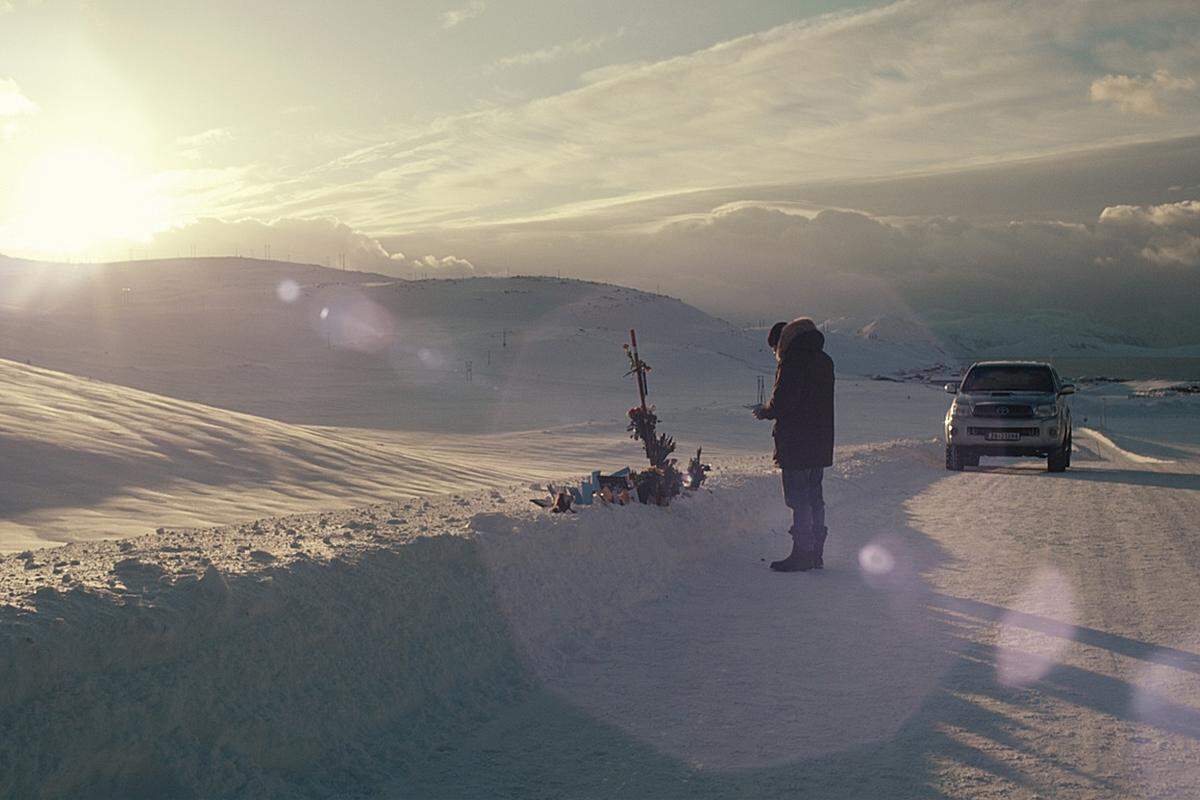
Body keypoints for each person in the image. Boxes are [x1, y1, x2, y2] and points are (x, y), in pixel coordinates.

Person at [753, 317, 835, 572]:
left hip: (797, 442)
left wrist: (764, 411)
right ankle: (815, 553)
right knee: (814, 497)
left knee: (798, 499)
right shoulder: (824, 359)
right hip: (820, 441)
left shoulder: (793, 361)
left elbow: (784, 402)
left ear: (782, 342)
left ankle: (802, 552)